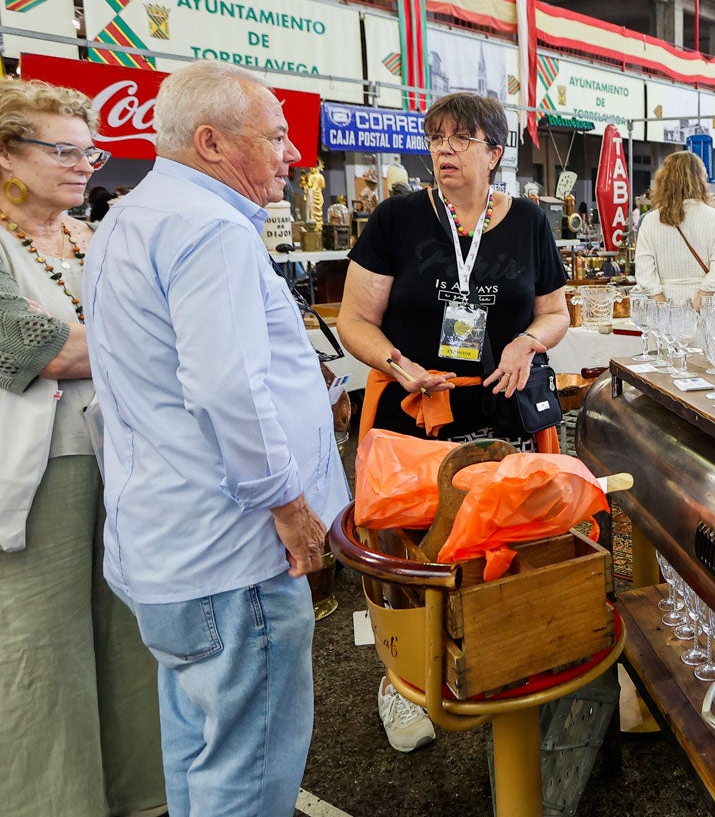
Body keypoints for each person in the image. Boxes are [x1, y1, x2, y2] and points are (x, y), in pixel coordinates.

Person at [85, 61, 350, 812]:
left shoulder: (136, 217)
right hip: (230, 554)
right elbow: (226, 387)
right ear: (210, 142)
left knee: (197, 745)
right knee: (247, 766)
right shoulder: (207, 231)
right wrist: (288, 502)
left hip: (168, 542)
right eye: (274, 135)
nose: (293, 152)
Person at [338, 92, 568, 749]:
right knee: (407, 545)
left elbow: (555, 312)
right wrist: (400, 364)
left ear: (495, 152)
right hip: (414, 407)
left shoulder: (526, 221)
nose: (442, 149)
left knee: (499, 539)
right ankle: (401, 673)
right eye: (435, 136)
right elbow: (355, 319)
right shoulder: (398, 218)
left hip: (499, 408)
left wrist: (529, 342)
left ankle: (495, 651)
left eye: (461, 138)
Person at [0, 80, 164, 817]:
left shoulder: (92, 237)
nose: (83, 165)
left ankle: (140, 794)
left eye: (86, 149)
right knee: (43, 644)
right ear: (7, 153)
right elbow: (35, 348)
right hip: (36, 474)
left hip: (119, 454)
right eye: (61, 150)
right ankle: (54, 801)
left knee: (128, 629)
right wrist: (160, 346)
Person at [634, 150, 715, 306]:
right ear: (700, 179)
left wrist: (666, 310)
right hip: (707, 309)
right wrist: (694, 309)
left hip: (662, 310)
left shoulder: (649, 221)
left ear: (663, 181)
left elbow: (644, 273)